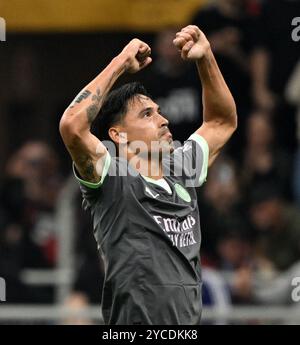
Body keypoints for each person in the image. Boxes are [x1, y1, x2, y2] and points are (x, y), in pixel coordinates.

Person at [59, 25, 237, 325]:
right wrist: (120, 62)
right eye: (147, 114)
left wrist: (206, 58)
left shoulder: (182, 168)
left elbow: (221, 121)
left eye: (158, 111)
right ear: (119, 135)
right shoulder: (111, 174)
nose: (163, 120)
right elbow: (72, 126)